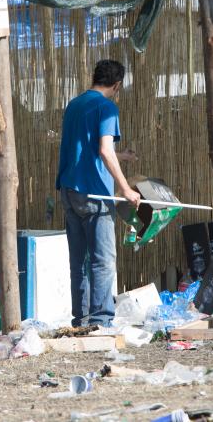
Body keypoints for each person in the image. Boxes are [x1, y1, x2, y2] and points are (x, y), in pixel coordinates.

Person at [56, 59, 141, 326]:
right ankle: (101, 322)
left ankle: (81, 320)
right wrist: (126, 188)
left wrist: (122, 155)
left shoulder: (74, 104)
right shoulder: (107, 108)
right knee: (103, 261)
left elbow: (88, 146)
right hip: (95, 194)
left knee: (78, 262)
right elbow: (104, 150)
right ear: (117, 85)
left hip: (69, 190)